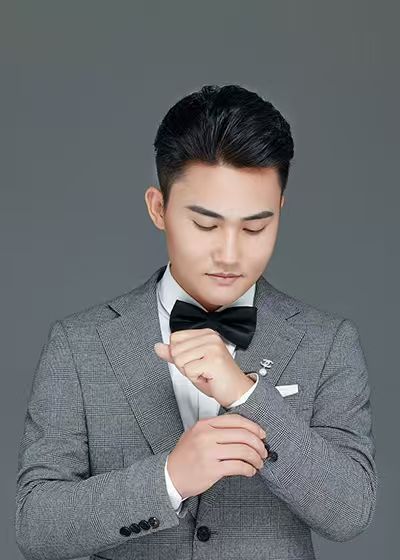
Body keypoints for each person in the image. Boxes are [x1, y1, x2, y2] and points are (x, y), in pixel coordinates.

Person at [15, 84, 377, 560]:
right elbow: (37, 525)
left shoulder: (327, 343)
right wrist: (169, 479)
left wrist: (246, 396)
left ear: (280, 212)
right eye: (206, 225)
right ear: (158, 208)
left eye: (255, 227)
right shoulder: (79, 345)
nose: (229, 254)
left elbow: (350, 511)